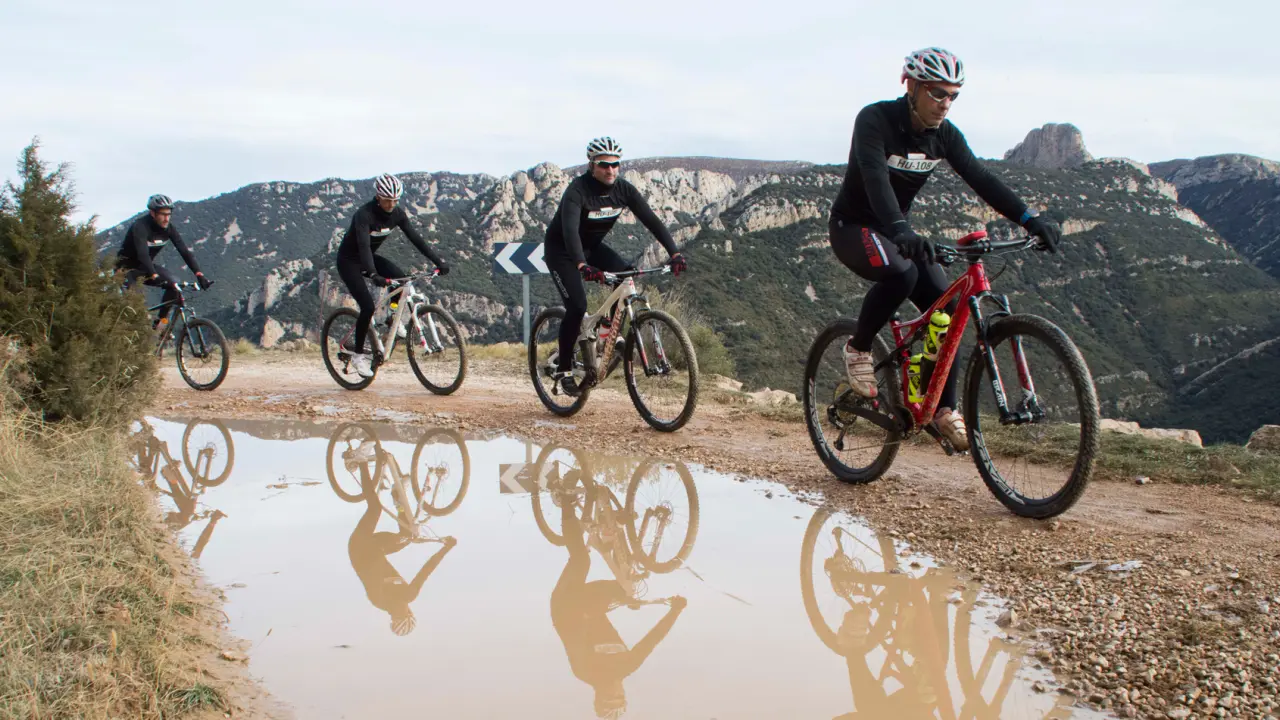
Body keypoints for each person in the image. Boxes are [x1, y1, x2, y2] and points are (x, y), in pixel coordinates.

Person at [826, 47, 1063, 452]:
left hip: (897, 231)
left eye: (953, 95)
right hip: (855, 227)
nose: (945, 103)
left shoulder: (945, 136)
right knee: (901, 274)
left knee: (949, 309)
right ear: (912, 86)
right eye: (937, 93)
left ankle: (942, 409)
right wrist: (900, 229)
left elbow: (981, 178)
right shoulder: (875, 119)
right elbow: (875, 179)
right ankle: (859, 346)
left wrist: (1028, 218)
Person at [543, 137, 688, 397]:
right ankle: (564, 369)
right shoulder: (577, 191)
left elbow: (652, 221)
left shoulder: (623, 190)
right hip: (562, 251)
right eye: (604, 165)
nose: (610, 170)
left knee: (625, 275)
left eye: (615, 164)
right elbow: (569, 232)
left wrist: (674, 253)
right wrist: (581, 265)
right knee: (577, 306)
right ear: (592, 166)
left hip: (592, 247)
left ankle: (606, 336)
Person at [334, 172, 450, 378]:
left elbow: (416, 239)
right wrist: (372, 273)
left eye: (395, 200)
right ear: (378, 196)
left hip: (369, 258)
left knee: (401, 280)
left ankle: (391, 316)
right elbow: (363, 247)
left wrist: (438, 262)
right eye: (388, 200)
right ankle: (358, 356)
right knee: (367, 306)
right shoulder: (364, 215)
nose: (391, 204)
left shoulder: (397, 214)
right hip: (349, 261)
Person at [116, 194, 213, 327]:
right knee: (138, 307)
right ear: (153, 213)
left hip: (145, 267)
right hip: (125, 270)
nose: (166, 218)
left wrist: (199, 274)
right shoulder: (140, 226)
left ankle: (159, 324)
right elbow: (143, 254)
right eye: (163, 214)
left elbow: (184, 251)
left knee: (174, 284)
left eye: (169, 214)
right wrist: (153, 274)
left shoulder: (169, 228)